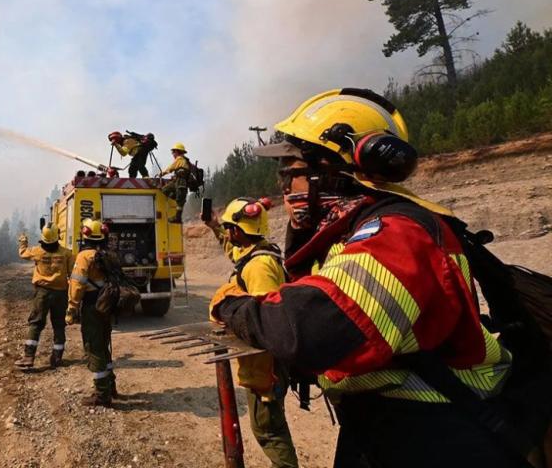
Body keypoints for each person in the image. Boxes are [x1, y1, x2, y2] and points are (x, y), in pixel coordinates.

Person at [210, 88, 522, 467]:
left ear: (331, 172)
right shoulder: (361, 231)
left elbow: (312, 327)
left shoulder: (397, 232)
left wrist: (231, 306)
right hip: (386, 423)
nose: (284, 188)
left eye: (291, 175)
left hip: (434, 433)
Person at [207, 197, 299, 468]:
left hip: (265, 364)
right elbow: (233, 252)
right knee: (270, 426)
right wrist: (214, 225)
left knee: (268, 431)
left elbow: (265, 321)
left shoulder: (258, 267)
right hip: (266, 362)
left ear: (238, 231)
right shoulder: (257, 251)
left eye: (228, 228)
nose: (227, 233)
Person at [66, 219, 119, 407]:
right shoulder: (107, 254)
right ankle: (111, 385)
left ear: (85, 234)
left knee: (93, 347)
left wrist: (72, 308)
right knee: (104, 345)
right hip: (106, 305)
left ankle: (102, 394)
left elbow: (77, 284)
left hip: (92, 306)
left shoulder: (84, 256)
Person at [14, 224, 74, 369]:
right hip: (61, 293)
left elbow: (22, 253)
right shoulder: (67, 253)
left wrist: (23, 241)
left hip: (42, 292)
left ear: (43, 238)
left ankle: (28, 357)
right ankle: (57, 357)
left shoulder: (37, 251)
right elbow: (73, 274)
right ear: (57, 237)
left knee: (36, 323)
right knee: (59, 325)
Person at [159, 142, 191, 223]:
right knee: (165, 190)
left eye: (173, 152)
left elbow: (171, 168)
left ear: (177, 152)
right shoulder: (184, 161)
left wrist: (162, 173)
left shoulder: (180, 159)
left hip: (181, 182)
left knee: (180, 200)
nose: (172, 154)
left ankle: (178, 218)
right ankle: (178, 199)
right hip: (177, 181)